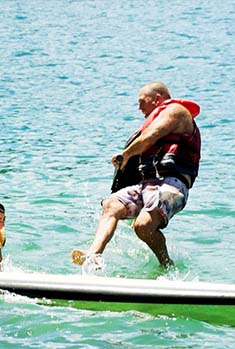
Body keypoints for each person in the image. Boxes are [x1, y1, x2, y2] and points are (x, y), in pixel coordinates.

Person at [72, 81, 201, 269]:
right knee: (111, 204)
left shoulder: (177, 111)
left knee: (142, 227)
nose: (139, 107)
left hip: (172, 185)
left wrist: (125, 154)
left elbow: (152, 136)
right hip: (147, 185)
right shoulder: (147, 125)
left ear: (157, 99)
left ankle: (167, 265)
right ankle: (94, 255)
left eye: (142, 101)